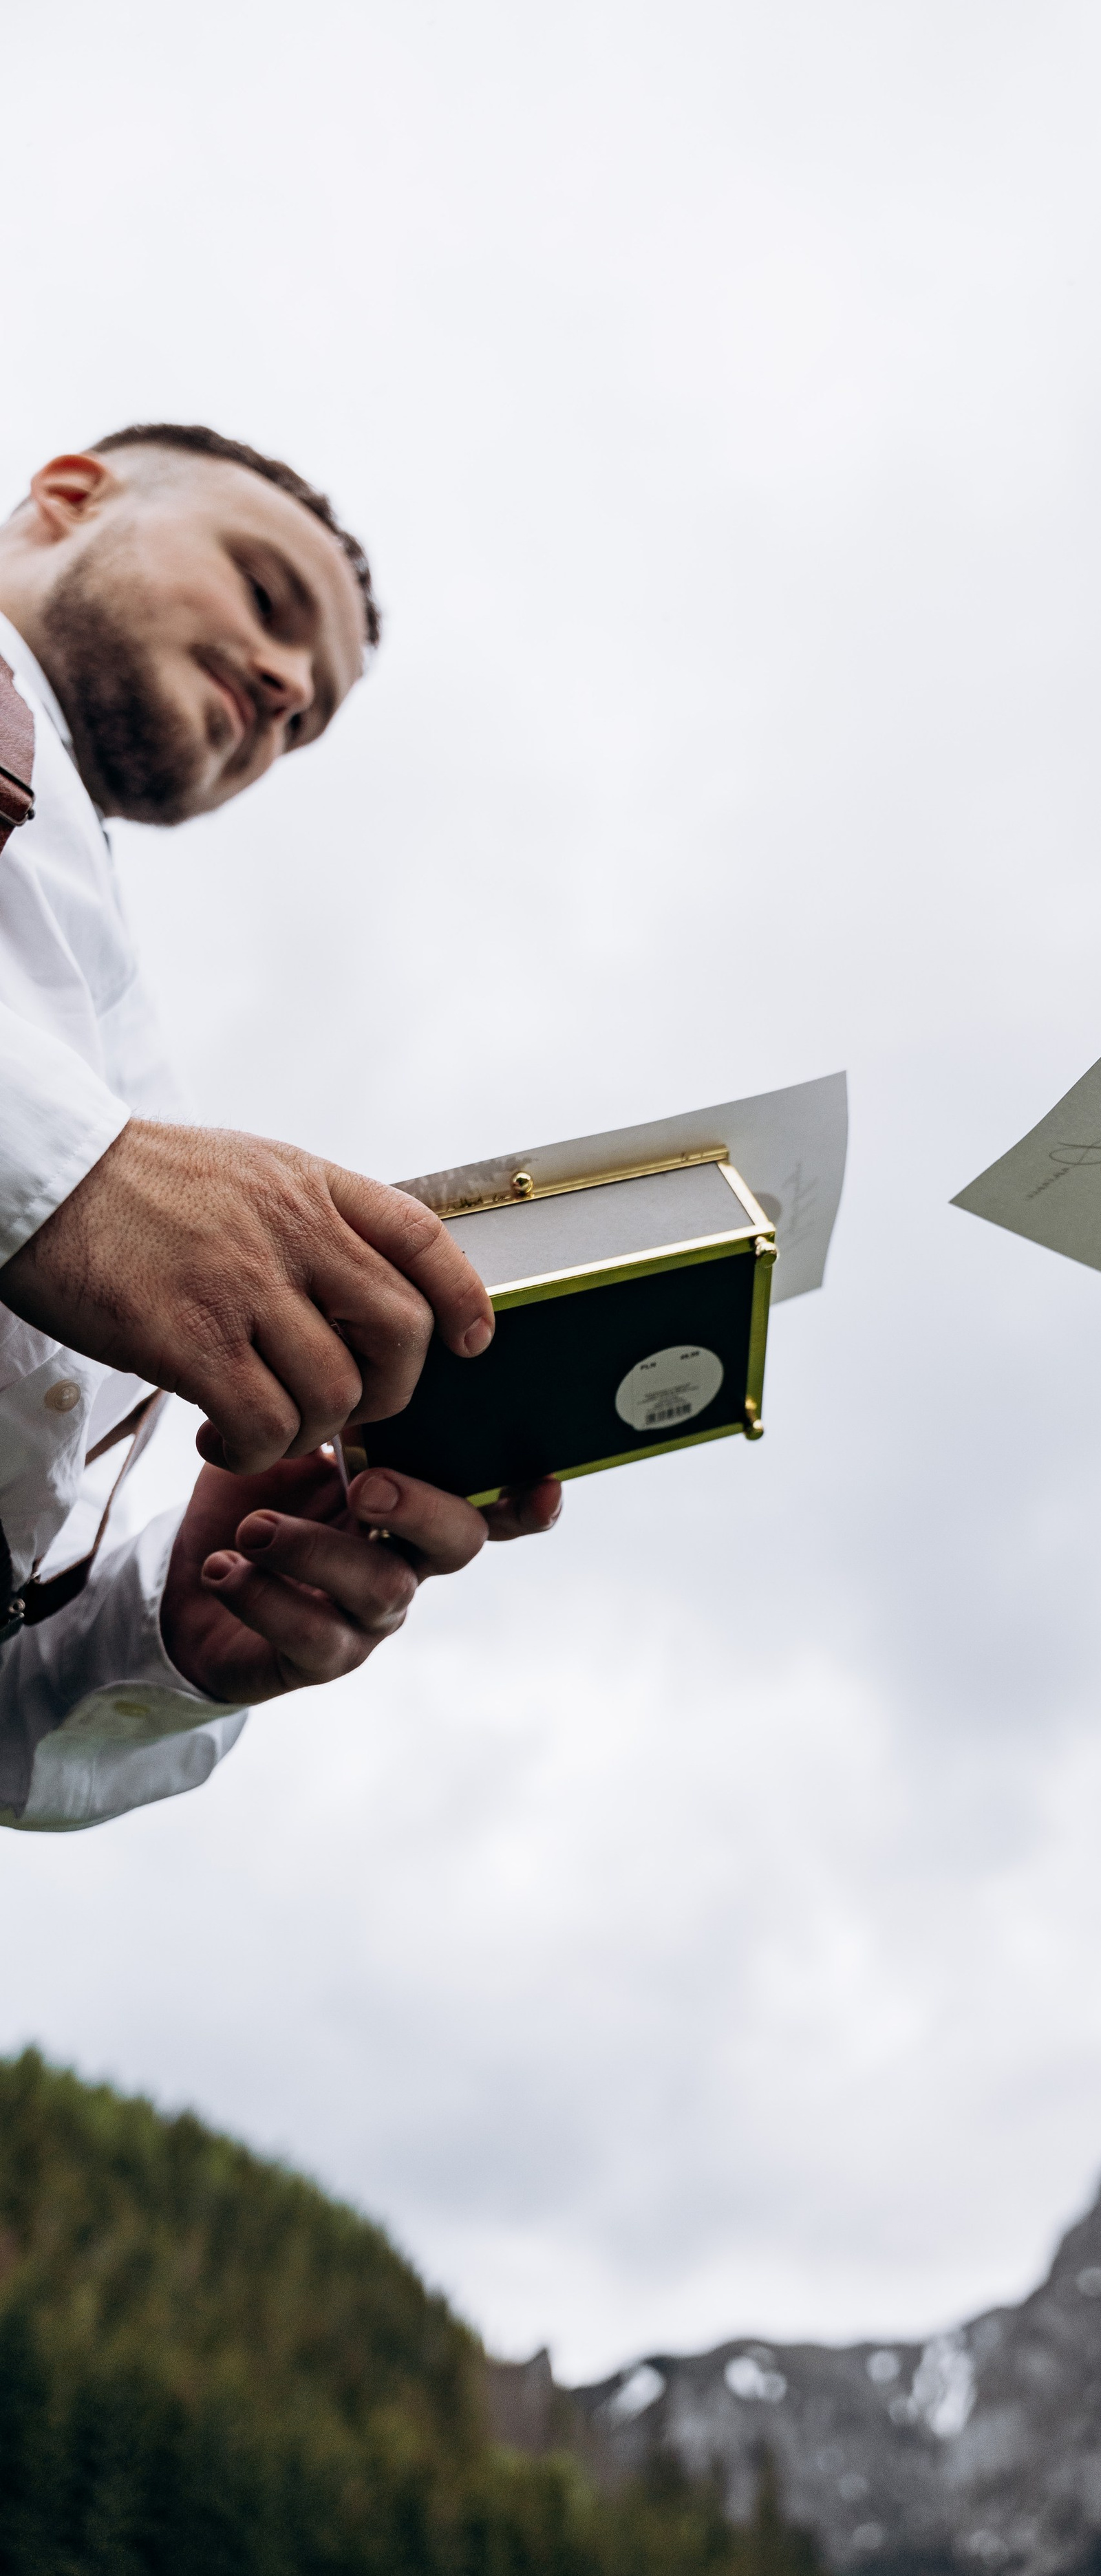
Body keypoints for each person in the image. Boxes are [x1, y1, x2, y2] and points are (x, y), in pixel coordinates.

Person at [0, 425, 559, 1831]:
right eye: (264, 594)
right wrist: (70, 1180)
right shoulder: (91, 1112)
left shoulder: (104, 1021)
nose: (289, 685)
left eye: (308, 717)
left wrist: (160, 1637)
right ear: (69, 499)